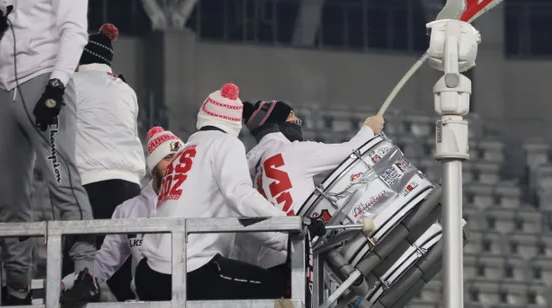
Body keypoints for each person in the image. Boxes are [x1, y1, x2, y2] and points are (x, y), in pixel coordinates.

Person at [0, 0, 99, 305]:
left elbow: (74, 31)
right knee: (8, 194)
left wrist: (57, 84)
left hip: (42, 84)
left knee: (61, 179)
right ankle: (17, 286)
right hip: (4, 90)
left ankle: (86, 269)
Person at [135, 83, 324, 301]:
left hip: (149, 274)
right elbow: (240, 196)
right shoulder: (225, 143)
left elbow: (241, 215)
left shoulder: (184, 151)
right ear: (233, 121)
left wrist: (283, 239)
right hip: (188, 271)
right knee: (278, 289)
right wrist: (292, 224)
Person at [239, 101, 384, 273]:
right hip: (297, 258)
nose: (297, 119)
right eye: (291, 115)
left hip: (269, 263)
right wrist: (369, 128)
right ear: (277, 123)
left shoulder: (256, 167)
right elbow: (351, 151)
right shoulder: (292, 151)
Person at [64, 22, 145, 300]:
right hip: (132, 189)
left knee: (74, 275)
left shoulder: (71, 84)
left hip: (92, 186)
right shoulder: (126, 90)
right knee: (124, 278)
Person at [62, 126, 183, 300]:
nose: (175, 165)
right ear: (154, 165)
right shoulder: (129, 210)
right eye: (168, 158)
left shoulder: (193, 203)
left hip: (188, 297)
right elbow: (105, 261)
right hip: (146, 300)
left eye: (180, 159)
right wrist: (66, 283)